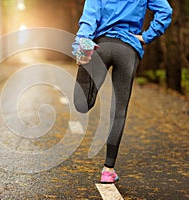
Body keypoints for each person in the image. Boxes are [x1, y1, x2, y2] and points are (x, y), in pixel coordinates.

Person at [72, 0, 172, 183]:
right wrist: (147, 36)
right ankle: (108, 170)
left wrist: (81, 42)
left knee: (81, 104)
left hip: (101, 45)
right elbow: (165, 11)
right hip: (128, 48)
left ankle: (85, 58)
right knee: (118, 111)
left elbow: (89, 17)